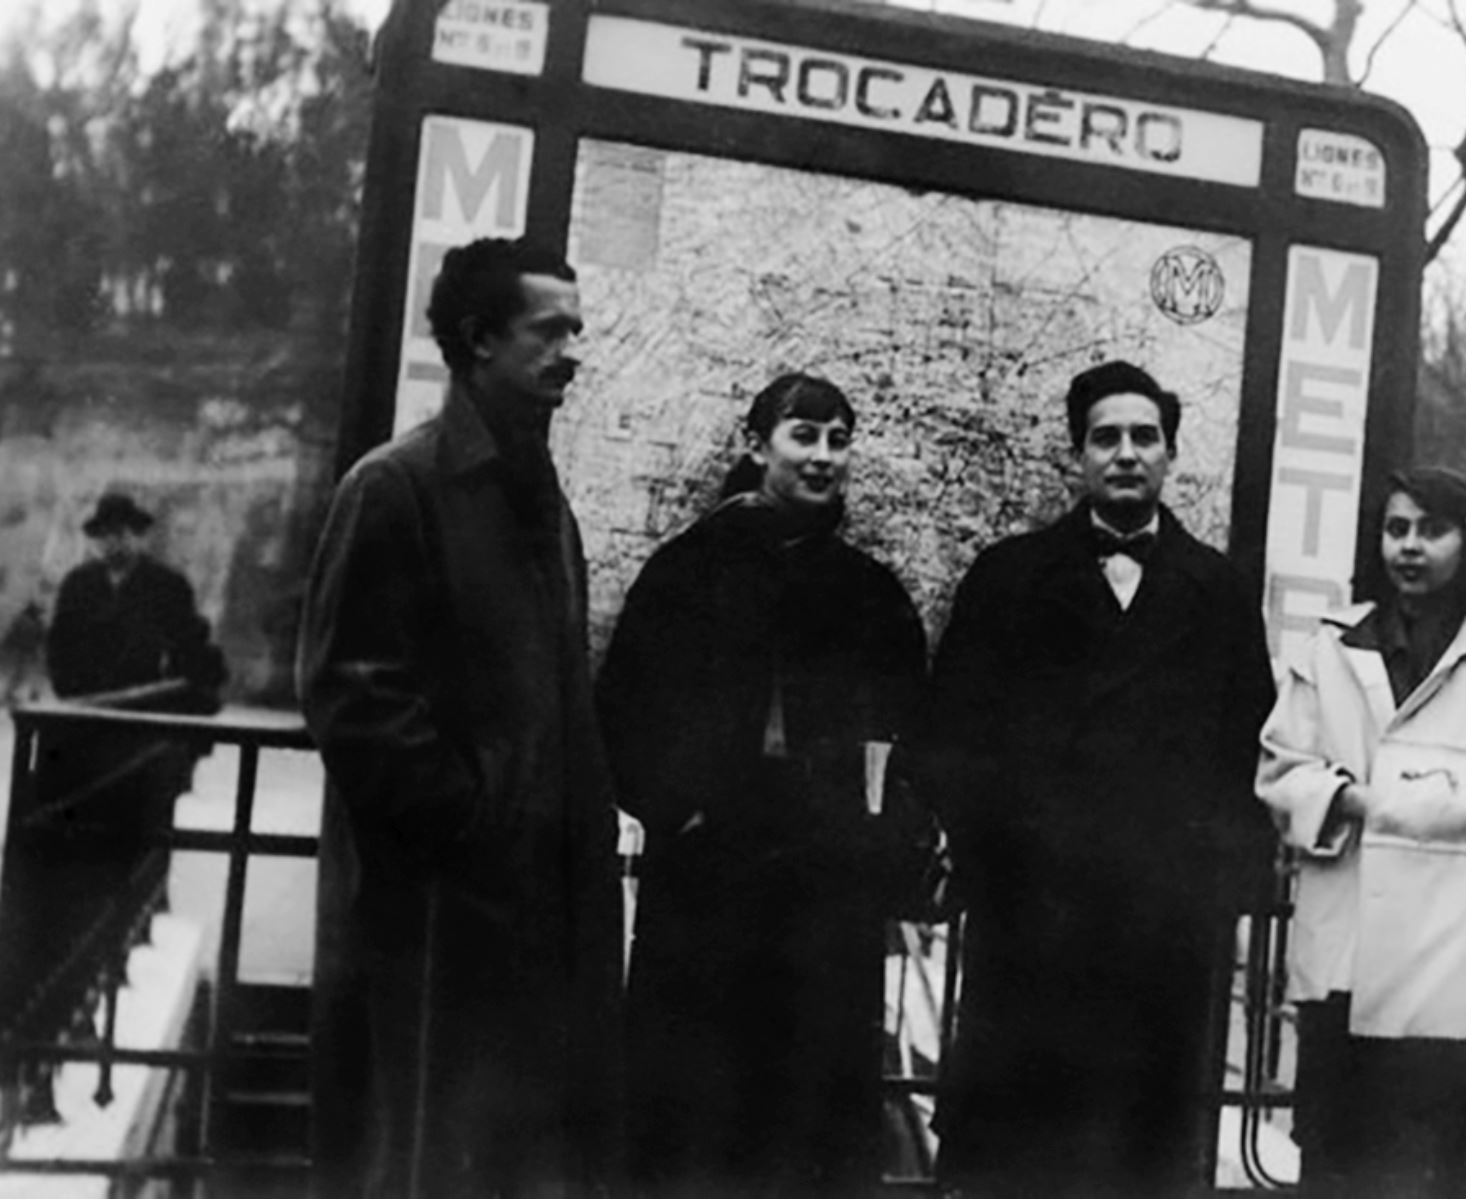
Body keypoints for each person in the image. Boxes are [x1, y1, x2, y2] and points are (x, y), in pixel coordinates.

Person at [298, 237, 622, 1199]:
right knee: (424, 1160)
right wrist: (473, 822)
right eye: (549, 329)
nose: (572, 350)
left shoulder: (540, 498)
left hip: (541, 918)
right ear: (479, 340)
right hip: (438, 925)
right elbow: (353, 696)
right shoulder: (395, 488)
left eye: (577, 328)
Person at [922, 360, 1277, 1199]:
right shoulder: (1007, 578)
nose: (1125, 454)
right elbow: (949, 740)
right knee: (1022, 1159)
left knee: (1139, 1159)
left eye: (1144, 437)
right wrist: (996, 860)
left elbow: (1250, 752)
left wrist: (1211, 887)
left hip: (1162, 940)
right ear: (1077, 455)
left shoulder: (1218, 591)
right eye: (1105, 437)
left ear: (1170, 454)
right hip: (1033, 932)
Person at [595, 372, 932, 1198]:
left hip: (828, 904)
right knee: (694, 1123)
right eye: (802, 434)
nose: (822, 456)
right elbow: (623, 715)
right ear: (757, 445)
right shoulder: (686, 575)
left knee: (807, 1130)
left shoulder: (873, 596)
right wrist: (687, 812)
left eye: (838, 438)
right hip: (707, 894)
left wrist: (876, 842)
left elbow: (911, 747)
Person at [1256, 466, 1466, 1199]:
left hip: (1461, 972)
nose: (1410, 547)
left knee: (1440, 1171)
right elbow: (1280, 770)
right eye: (1396, 528)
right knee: (1333, 1163)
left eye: (1433, 530)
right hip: (1345, 963)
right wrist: (1351, 800)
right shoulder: (1329, 651)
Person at [48, 491, 226, 710]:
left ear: (138, 535)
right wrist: (68, 689)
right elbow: (60, 642)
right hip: (85, 697)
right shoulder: (78, 584)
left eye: (119, 533)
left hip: (143, 698)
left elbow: (187, 642)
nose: (111, 542)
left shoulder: (167, 584)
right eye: (103, 535)